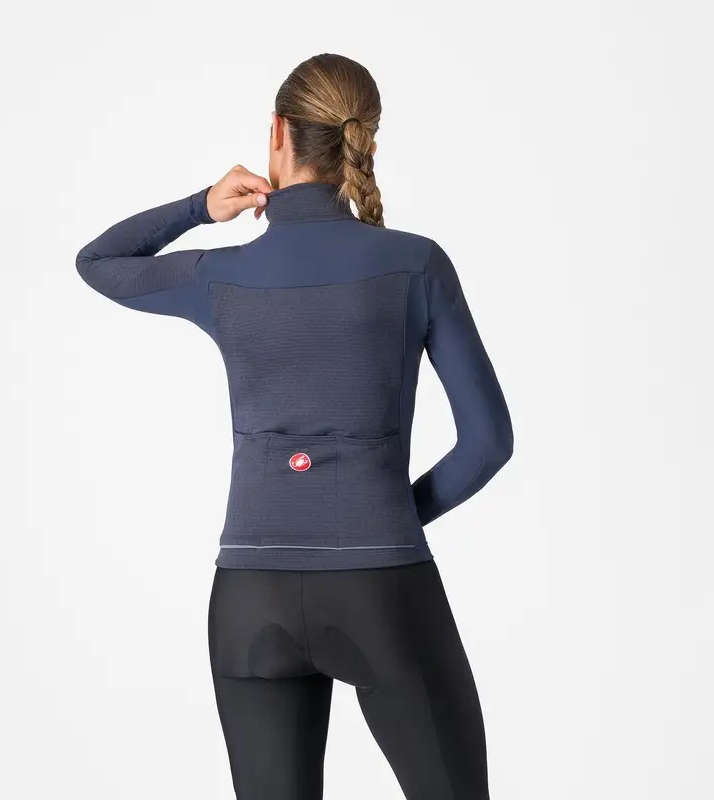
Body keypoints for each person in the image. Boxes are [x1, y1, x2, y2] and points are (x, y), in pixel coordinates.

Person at [76, 52, 513, 800]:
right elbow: (488, 442)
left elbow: (100, 261)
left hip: (251, 595)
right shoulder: (415, 264)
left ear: (277, 132)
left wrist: (199, 206)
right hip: (381, 587)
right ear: (364, 139)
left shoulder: (222, 275)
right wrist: (388, 513)